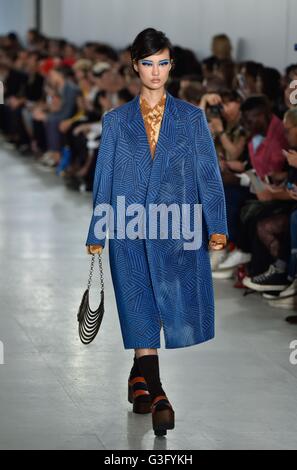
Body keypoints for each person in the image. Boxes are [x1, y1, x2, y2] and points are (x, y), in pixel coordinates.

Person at [85, 28, 228, 437]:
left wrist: (216, 225)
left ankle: (138, 377)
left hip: (174, 228)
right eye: (147, 63)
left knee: (170, 308)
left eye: (163, 62)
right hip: (128, 230)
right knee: (139, 308)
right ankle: (160, 394)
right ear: (135, 65)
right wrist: (98, 229)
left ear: (171, 64)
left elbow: (208, 174)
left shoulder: (191, 117)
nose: (155, 71)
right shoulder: (115, 121)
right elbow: (104, 177)